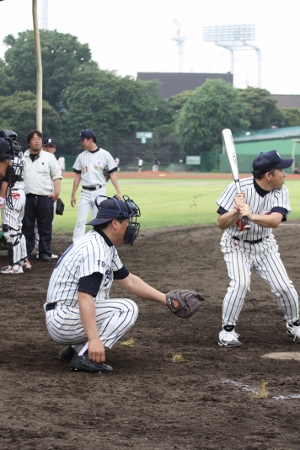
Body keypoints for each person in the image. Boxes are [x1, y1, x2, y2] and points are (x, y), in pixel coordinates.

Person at [44, 195, 169, 373]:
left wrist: (166, 299)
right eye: (127, 221)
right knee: (126, 308)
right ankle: (85, 355)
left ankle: (75, 349)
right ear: (115, 223)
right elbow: (85, 296)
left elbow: (128, 279)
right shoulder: (95, 248)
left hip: (66, 313)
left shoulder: (103, 242)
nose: (131, 226)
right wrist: (95, 339)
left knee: (104, 298)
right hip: (64, 319)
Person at [216, 150, 300, 347]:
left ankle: (294, 325)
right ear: (269, 175)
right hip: (236, 244)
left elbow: (275, 221)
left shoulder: (281, 191)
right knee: (240, 283)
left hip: (265, 245)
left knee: (283, 286)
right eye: (281, 170)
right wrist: (236, 211)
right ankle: (227, 331)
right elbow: (221, 223)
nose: (285, 174)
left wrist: (251, 215)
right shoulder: (237, 189)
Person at [71, 129, 122, 242]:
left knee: (97, 221)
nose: (81, 143)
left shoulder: (105, 154)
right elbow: (77, 176)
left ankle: (95, 244)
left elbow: (112, 173)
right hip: (85, 192)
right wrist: (73, 194)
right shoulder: (81, 156)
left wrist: (118, 191)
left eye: (83, 140)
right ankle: (76, 246)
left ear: (90, 140)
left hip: (100, 191)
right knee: (81, 221)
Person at [22, 130, 62, 262]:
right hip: (27, 197)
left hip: (45, 197)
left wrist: (56, 193)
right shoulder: (23, 158)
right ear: (29, 142)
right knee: (27, 227)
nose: (37, 141)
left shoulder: (49, 157)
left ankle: (45, 252)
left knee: (45, 226)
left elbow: (56, 175)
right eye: (34, 139)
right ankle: (26, 252)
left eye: (39, 138)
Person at [34, 137, 59, 260]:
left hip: (51, 195)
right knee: (37, 224)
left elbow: (57, 179)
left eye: (51, 146)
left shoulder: (54, 160)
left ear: (54, 148)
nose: (48, 148)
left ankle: (44, 249)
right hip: (40, 195)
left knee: (48, 224)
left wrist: (56, 194)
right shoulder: (38, 158)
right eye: (47, 146)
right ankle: (40, 250)